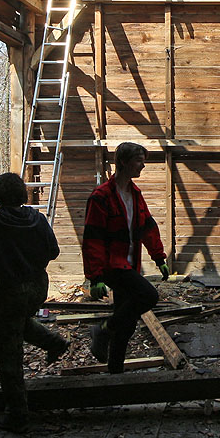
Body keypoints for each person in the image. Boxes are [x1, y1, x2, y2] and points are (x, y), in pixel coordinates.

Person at [0, 172, 69, 433]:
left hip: (11, 290)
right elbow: (54, 251)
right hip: (38, 287)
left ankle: (17, 413)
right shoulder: (37, 218)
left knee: (7, 352)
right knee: (17, 324)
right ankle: (55, 343)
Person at [83, 142, 171, 373]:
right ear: (123, 162)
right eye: (139, 160)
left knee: (126, 325)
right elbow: (93, 238)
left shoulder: (135, 194)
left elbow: (147, 228)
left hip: (131, 263)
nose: (143, 165)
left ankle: (115, 375)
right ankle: (101, 330)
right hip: (113, 265)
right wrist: (95, 277)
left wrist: (159, 258)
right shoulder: (101, 197)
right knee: (149, 295)